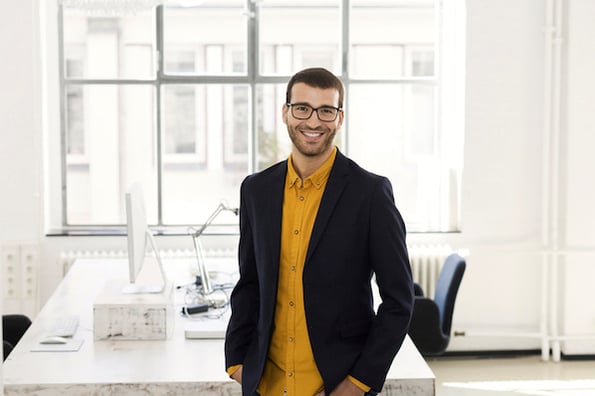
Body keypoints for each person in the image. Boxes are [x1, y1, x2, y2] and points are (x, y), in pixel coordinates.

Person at [224, 67, 413, 396]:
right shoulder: (256, 190)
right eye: (302, 108)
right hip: (266, 385)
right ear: (286, 112)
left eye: (326, 110)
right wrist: (236, 361)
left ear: (340, 118)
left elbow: (398, 301)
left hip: (334, 384)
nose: (313, 122)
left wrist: (357, 385)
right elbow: (249, 283)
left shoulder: (370, 194)